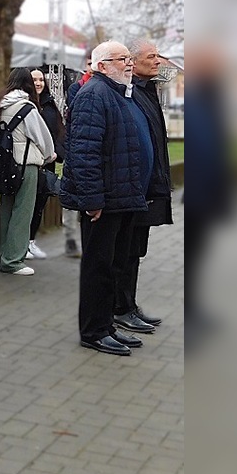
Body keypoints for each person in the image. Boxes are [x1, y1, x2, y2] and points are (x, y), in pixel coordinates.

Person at [60, 41, 149, 356]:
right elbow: (83, 154)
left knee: (112, 265)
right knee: (99, 267)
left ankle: (106, 325)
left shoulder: (115, 93)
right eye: (120, 59)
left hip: (120, 198)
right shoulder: (94, 96)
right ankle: (94, 331)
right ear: (100, 65)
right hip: (104, 203)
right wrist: (92, 200)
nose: (128, 63)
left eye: (128, 58)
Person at [111, 38, 173, 334]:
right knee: (125, 252)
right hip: (132, 188)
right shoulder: (128, 93)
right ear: (133, 61)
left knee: (136, 250)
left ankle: (128, 305)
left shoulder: (146, 91)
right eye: (152, 56)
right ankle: (120, 308)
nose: (158, 61)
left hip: (146, 188)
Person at [0, 68, 57, 276]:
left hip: (5, 164)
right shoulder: (28, 108)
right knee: (23, 212)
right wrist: (49, 156)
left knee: (7, 210)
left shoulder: (0, 105)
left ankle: (6, 253)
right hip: (26, 163)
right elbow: (43, 138)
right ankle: (13, 260)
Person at [27, 69, 66, 260]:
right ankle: (22, 241)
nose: (38, 83)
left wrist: (57, 152)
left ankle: (31, 241)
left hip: (48, 163)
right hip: (29, 162)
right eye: (34, 80)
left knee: (40, 203)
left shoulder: (50, 105)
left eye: (41, 79)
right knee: (26, 203)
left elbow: (59, 131)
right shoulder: (25, 105)